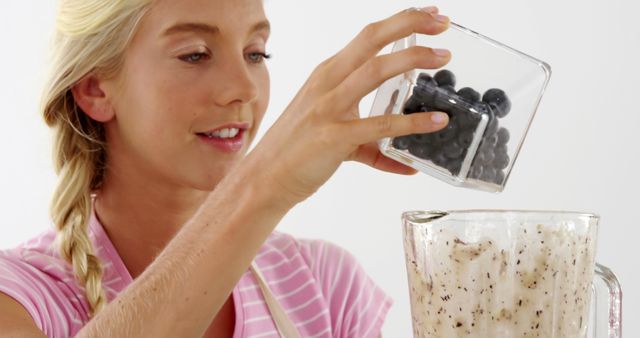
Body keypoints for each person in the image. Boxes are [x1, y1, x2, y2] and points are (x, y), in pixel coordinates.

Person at [0, 0, 450, 337]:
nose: (243, 90)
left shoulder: (325, 287)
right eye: (195, 54)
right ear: (95, 88)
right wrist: (265, 183)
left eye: (256, 53)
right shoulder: (21, 294)